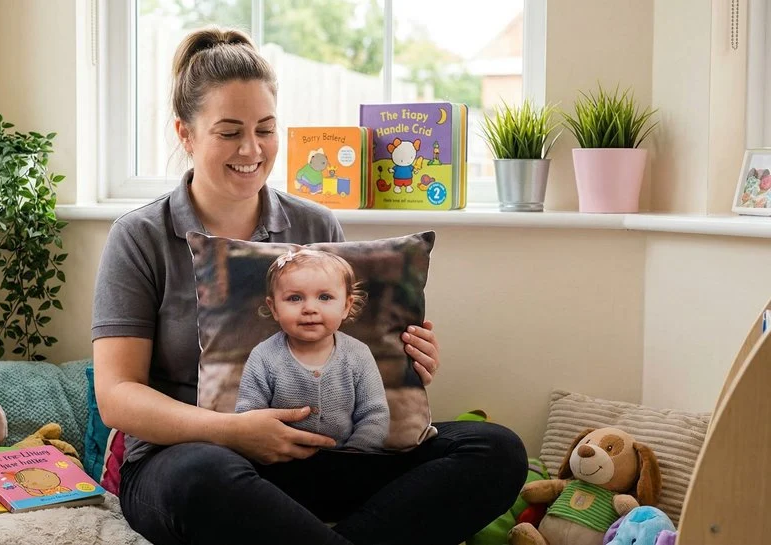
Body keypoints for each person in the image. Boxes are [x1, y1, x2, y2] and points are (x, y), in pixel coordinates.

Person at [92, 25, 527, 545]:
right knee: (199, 479)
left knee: (496, 450)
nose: (251, 149)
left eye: (266, 129)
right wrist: (232, 431)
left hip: (325, 451)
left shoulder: (317, 226)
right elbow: (116, 396)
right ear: (186, 134)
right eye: (228, 132)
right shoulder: (140, 236)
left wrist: (408, 362)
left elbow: (357, 365)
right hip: (194, 459)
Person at [236, 249, 390, 452]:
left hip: (348, 462)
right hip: (278, 460)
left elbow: (375, 415)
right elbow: (248, 415)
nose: (310, 308)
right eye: (294, 298)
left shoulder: (358, 354)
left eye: (324, 297)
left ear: (346, 305)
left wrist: (357, 454)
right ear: (274, 308)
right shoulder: (264, 357)